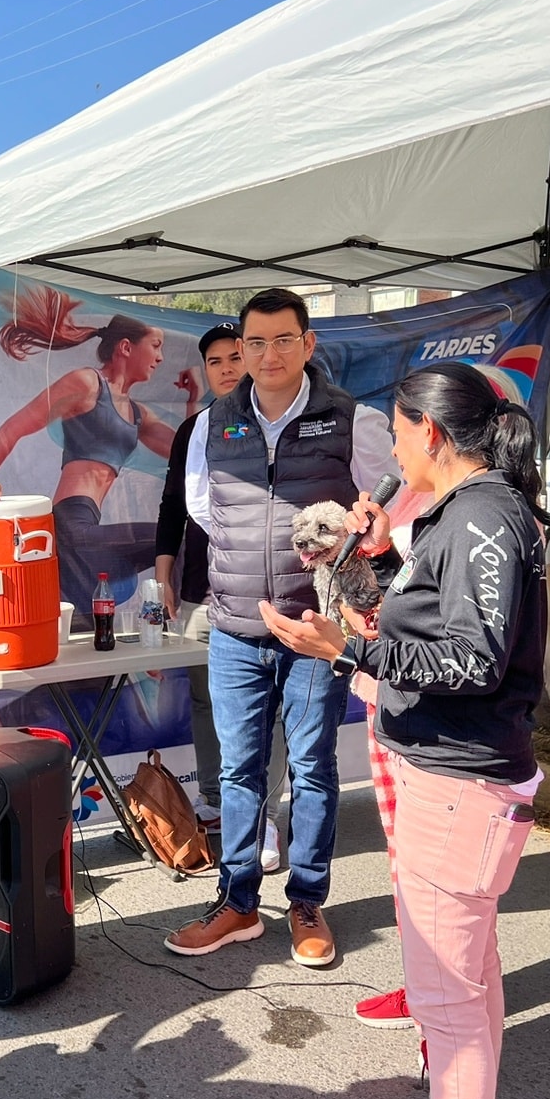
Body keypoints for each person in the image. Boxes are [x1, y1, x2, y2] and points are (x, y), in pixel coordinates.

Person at [261, 360, 550, 1099]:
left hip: (459, 781)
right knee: (468, 978)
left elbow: (472, 659)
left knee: (447, 1001)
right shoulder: (471, 511)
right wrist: (384, 558)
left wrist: (343, 655)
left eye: (395, 434)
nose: (392, 456)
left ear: (430, 431)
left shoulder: (483, 515)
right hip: (458, 774)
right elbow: (433, 620)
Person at [165, 287, 400, 968]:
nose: (268, 355)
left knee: (311, 770)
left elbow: (379, 510)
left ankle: (306, 903)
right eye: (254, 344)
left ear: (308, 345)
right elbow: (204, 511)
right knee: (238, 772)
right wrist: (252, 566)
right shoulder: (213, 423)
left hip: (313, 635)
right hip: (236, 629)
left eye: (283, 340)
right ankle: (237, 904)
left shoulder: (352, 419)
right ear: (241, 350)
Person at [0, 283, 202, 623]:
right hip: (71, 528)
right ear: (125, 347)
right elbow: (11, 430)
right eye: (156, 346)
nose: (161, 358)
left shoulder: (136, 414)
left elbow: (189, 449)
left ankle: (160, 630)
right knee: (172, 539)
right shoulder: (87, 384)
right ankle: (168, 620)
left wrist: (193, 401)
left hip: (89, 527)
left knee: (88, 637)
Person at [154, 323, 288, 868]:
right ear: (206, 370)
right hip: (200, 595)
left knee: (269, 710)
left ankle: (268, 819)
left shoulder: (278, 424)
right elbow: (173, 505)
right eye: (217, 361)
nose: (229, 368)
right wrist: (164, 573)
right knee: (206, 702)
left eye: (238, 356)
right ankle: (215, 805)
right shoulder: (195, 429)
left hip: (264, 594)